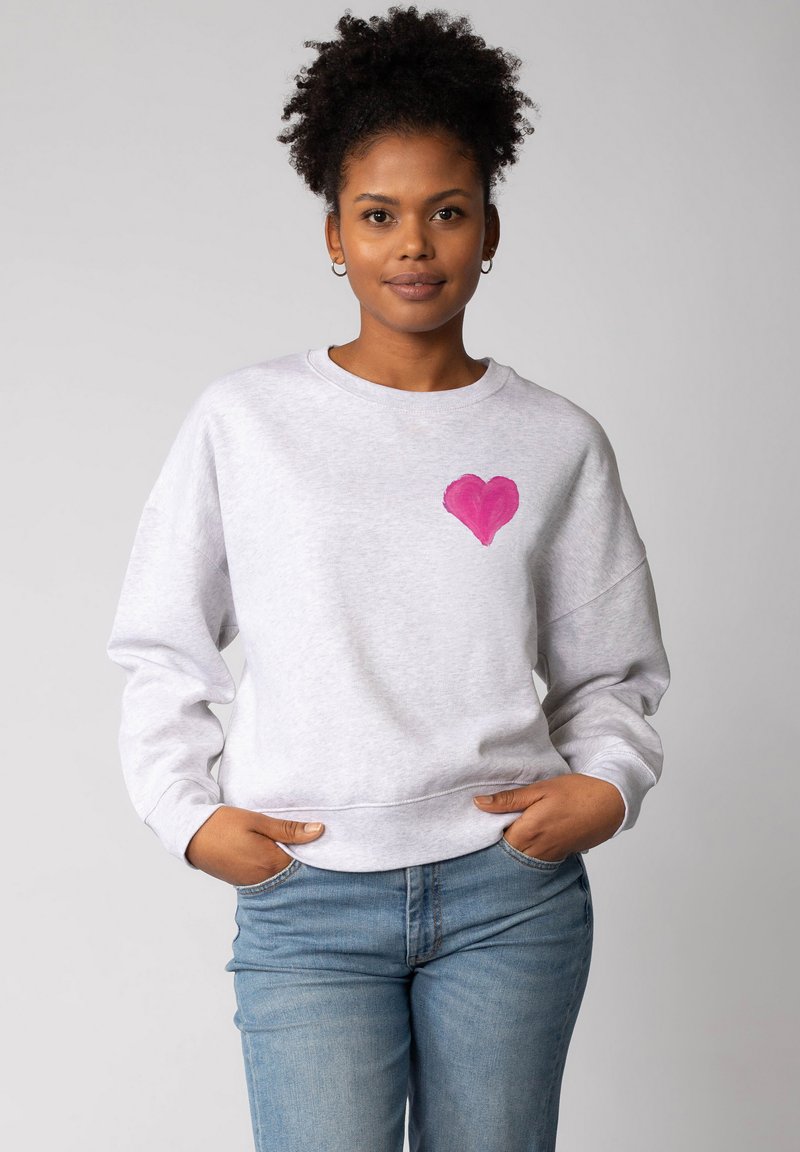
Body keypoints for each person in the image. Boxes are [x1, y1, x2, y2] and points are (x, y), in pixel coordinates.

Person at [106, 7, 671, 1151]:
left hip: (508, 897)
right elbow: (161, 642)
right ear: (334, 233)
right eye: (378, 214)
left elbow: (610, 668)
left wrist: (607, 784)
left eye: (445, 211)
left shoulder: (553, 440)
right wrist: (185, 815)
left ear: (488, 228)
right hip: (307, 897)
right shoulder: (246, 421)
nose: (413, 244)